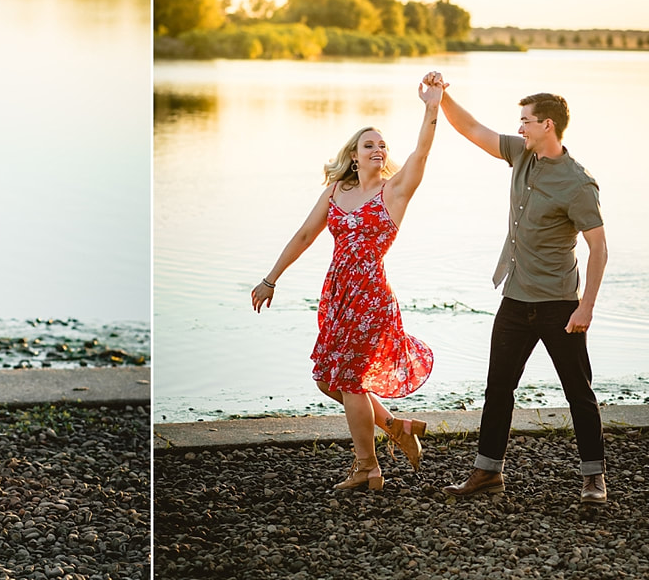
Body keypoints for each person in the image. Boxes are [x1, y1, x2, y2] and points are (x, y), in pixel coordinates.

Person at [428, 73, 609, 504]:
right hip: (515, 299)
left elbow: (599, 248)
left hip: (559, 305)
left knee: (578, 392)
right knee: (498, 389)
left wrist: (585, 307)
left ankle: (594, 479)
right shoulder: (521, 154)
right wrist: (442, 98)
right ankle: (487, 473)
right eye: (521, 121)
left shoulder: (578, 183)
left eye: (527, 120)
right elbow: (473, 130)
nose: (520, 127)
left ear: (548, 125)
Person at [251, 79, 441, 491]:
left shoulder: (395, 192)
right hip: (337, 293)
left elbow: (422, 150)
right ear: (354, 157)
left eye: (382, 146)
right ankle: (395, 426)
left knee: (351, 380)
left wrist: (432, 106)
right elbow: (304, 235)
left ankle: (367, 468)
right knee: (326, 379)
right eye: (368, 145)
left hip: (371, 295)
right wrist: (271, 278)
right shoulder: (336, 190)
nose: (378, 150)